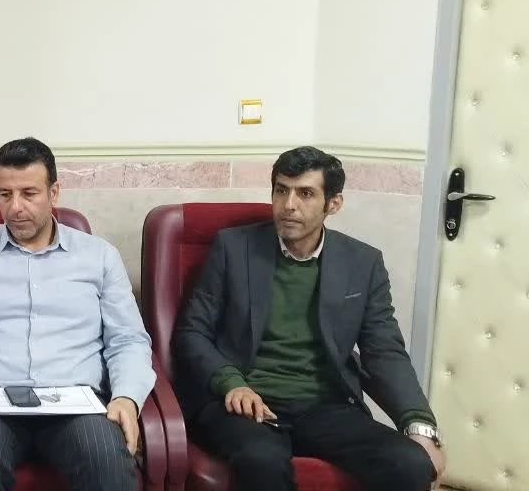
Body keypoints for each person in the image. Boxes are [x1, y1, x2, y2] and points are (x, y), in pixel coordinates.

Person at [173, 146, 445, 490]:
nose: (288, 205)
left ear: (334, 203)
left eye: (305, 193)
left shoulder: (362, 263)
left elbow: (384, 351)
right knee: (262, 461)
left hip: (325, 406)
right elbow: (192, 331)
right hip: (246, 402)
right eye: (281, 190)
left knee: (410, 463)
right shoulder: (233, 248)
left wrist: (418, 424)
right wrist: (231, 382)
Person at [0, 137, 155, 491]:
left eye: (29, 193)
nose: (15, 207)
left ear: (54, 193)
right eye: (5, 194)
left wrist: (126, 396)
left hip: (76, 401)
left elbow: (128, 339)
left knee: (107, 461)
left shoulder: (99, 257)